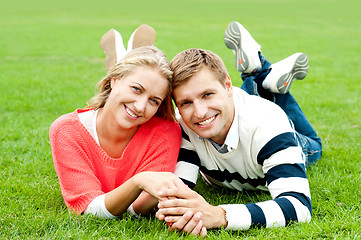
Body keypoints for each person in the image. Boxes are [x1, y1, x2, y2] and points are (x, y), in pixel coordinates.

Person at [155, 21, 322, 235]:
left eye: (207, 94)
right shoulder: (183, 125)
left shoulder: (268, 124)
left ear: (227, 86)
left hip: (277, 132)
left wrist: (220, 215)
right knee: (218, 111)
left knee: (313, 146)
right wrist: (180, 210)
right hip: (241, 113)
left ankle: (260, 76)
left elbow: (298, 207)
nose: (199, 112)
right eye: (186, 102)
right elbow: (180, 190)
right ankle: (260, 76)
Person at [49, 25, 185, 219]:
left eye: (154, 100)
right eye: (136, 89)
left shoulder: (165, 131)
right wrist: (139, 181)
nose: (140, 106)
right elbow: (89, 208)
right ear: (113, 80)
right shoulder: (67, 130)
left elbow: (138, 208)